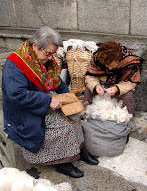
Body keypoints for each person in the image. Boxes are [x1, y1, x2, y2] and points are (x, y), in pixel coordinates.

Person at [2, 26, 98, 178]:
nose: (50, 58)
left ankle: (80, 151)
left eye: (53, 54)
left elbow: (56, 82)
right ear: (35, 46)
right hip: (24, 109)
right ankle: (63, 162)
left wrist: (69, 98)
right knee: (63, 126)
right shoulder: (15, 65)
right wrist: (47, 100)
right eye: (48, 53)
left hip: (44, 98)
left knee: (74, 116)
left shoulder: (42, 59)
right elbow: (17, 95)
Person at [83, 41, 143, 116]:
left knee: (128, 96)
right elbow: (90, 76)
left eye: (112, 65)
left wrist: (117, 89)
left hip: (120, 86)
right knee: (89, 89)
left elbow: (131, 82)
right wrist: (96, 86)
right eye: (106, 65)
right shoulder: (96, 58)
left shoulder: (130, 63)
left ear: (119, 59)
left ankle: (126, 120)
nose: (109, 68)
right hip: (102, 85)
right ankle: (87, 116)